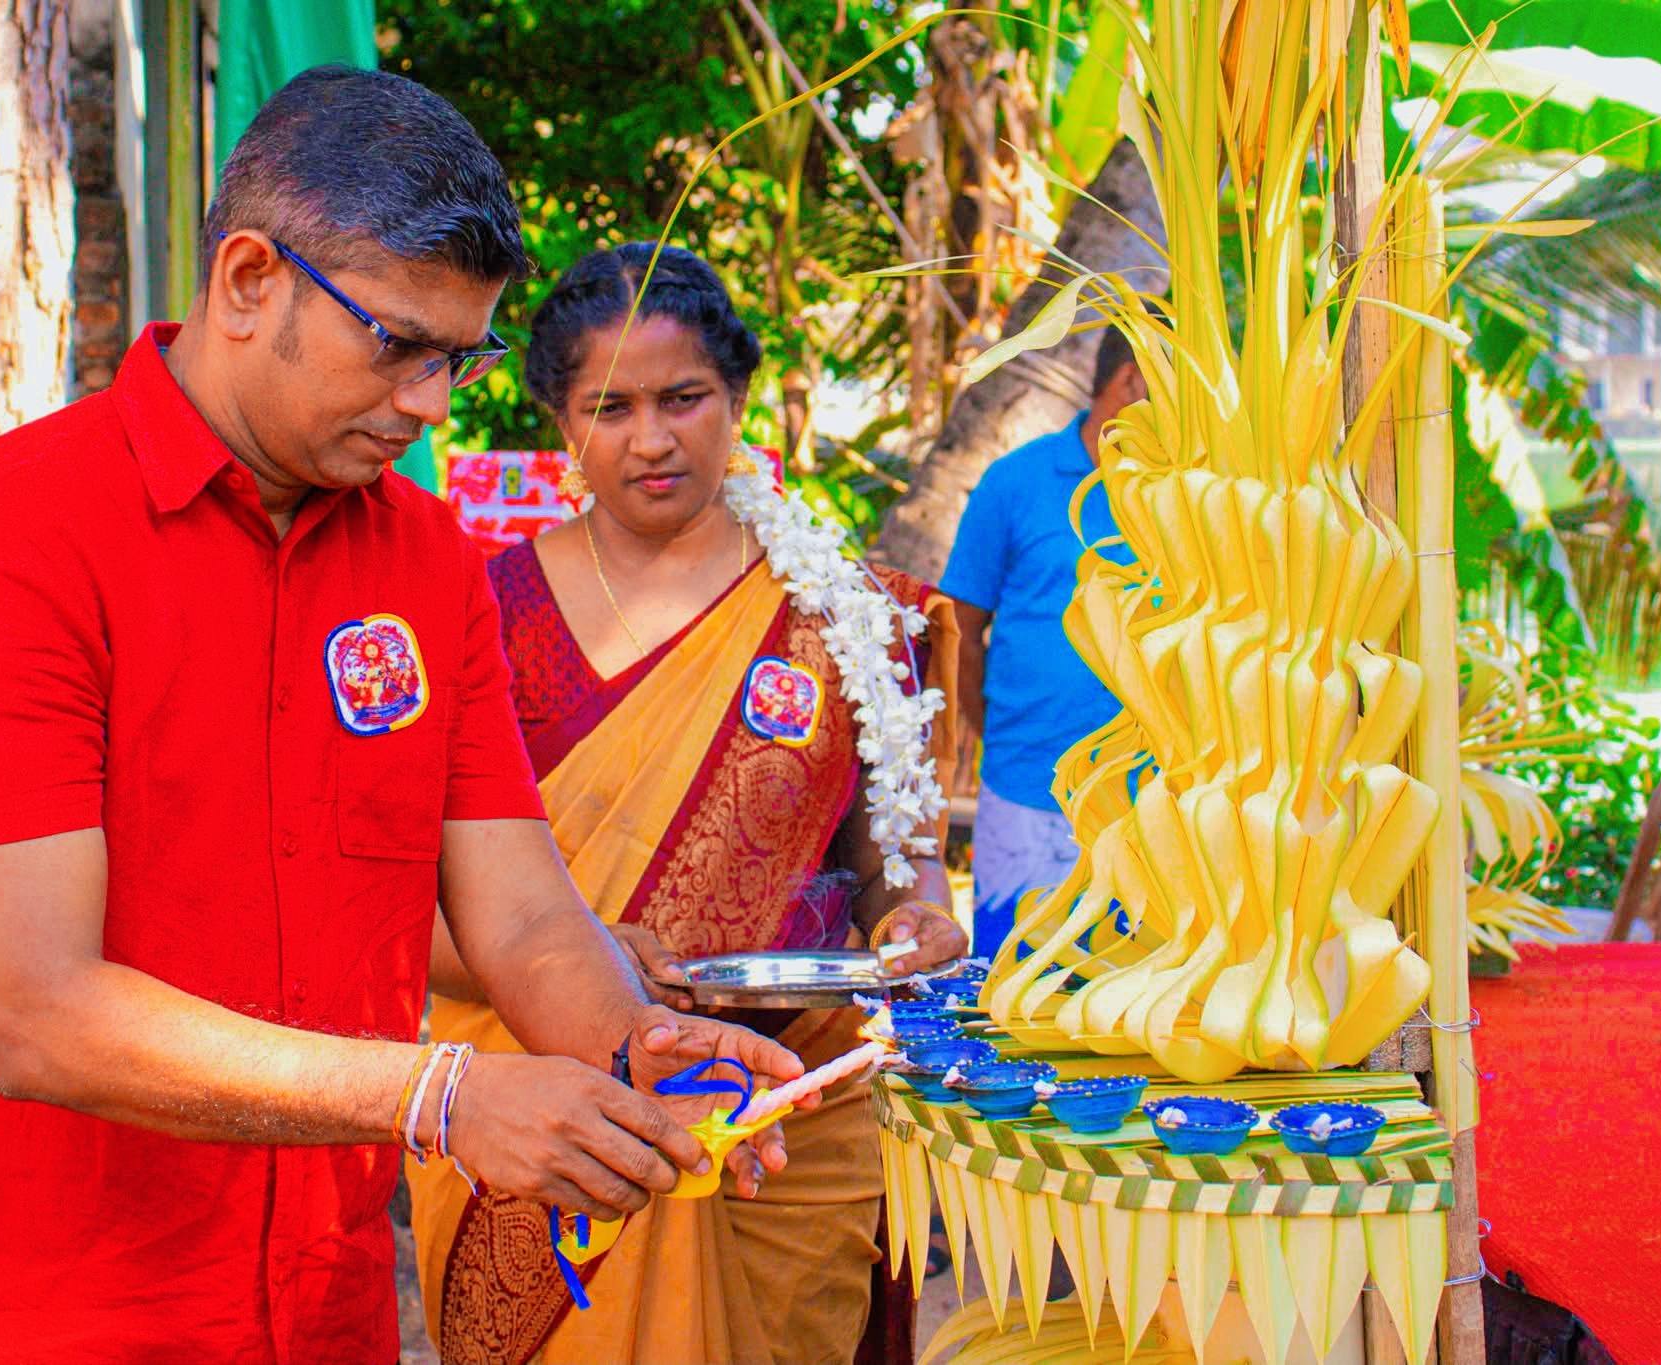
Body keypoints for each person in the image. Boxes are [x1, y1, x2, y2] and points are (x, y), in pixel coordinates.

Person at [0, 70, 803, 1365]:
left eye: (458, 358)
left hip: (325, 1307)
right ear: (250, 281)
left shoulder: (425, 559)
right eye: (398, 345)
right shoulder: (11, 540)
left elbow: (523, 915)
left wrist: (636, 1048)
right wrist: (439, 1092)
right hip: (44, 1319)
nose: (431, 404)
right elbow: (36, 1012)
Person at [406, 243, 969, 1365]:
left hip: (788, 1124)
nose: (651, 439)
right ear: (559, 421)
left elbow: (888, 865)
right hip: (546, 1120)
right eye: (608, 408)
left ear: (738, 396)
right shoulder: (475, 613)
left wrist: (917, 915)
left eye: (683, 398)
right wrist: (580, 969)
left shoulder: (840, 615)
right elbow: (408, 902)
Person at [941, 323, 1146, 958]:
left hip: (1154, 808)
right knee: (1014, 982)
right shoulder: (1015, 482)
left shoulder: (1188, 494)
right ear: (1130, 380)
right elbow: (958, 629)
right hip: (1027, 792)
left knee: (1137, 991)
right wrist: (999, 729)